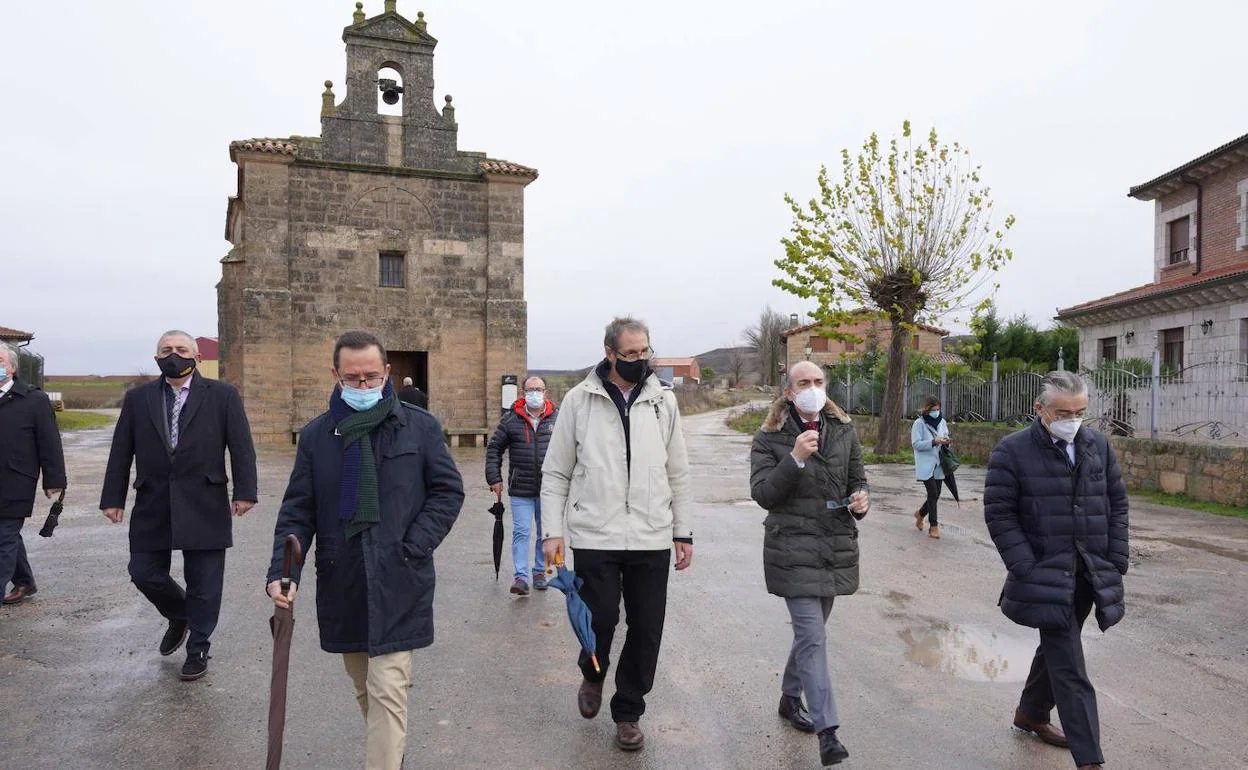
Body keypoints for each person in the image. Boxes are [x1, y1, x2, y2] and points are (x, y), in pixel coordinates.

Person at [267, 330, 464, 770]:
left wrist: (415, 545)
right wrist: (283, 574)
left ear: (388, 373)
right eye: (353, 378)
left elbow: (448, 492)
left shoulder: (420, 427)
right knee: (365, 687)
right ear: (335, 375)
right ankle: (386, 750)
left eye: (371, 377)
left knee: (388, 688)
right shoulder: (318, 437)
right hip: (345, 579)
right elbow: (298, 510)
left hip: (399, 578)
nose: (362, 386)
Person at [541, 317, 692, 753]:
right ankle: (593, 672)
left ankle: (628, 711)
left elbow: (677, 472)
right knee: (601, 618)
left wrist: (683, 531)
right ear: (610, 354)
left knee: (647, 627)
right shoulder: (579, 401)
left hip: (650, 536)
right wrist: (553, 533)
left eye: (645, 352)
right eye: (630, 354)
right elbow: (556, 473)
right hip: (596, 535)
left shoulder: (663, 401)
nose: (640, 361)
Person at [984, 371, 1129, 770]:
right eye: (1064, 412)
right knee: (1070, 664)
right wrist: (1024, 566)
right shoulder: (1012, 451)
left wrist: (1116, 558)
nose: (1073, 418)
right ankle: (1090, 760)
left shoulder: (1096, 444)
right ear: (1040, 409)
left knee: (1057, 647)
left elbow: (1116, 503)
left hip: (1091, 571)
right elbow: (999, 513)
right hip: (1046, 573)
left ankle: (1030, 713)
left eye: (1080, 411)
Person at [100, 330, 258, 681]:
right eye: (166, 350)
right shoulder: (138, 398)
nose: (174, 354)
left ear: (197, 357)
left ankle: (199, 646)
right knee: (144, 572)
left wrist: (245, 491)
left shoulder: (222, 396)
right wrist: (112, 497)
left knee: (204, 580)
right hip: (153, 500)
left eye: (181, 349)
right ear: (157, 357)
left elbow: (241, 446)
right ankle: (180, 613)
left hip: (205, 499)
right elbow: (121, 451)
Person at [748, 360, 868, 767]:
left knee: (809, 634)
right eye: (804, 382)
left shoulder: (844, 430)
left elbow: (858, 479)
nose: (812, 387)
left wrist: (861, 500)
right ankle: (828, 731)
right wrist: (794, 458)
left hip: (835, 545)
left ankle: (788, 697)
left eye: (818, 381)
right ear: (789, 392)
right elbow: (763, 493)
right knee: (814, 638)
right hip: (791, 548)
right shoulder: (769, 437)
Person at [0, 342, 66, 606]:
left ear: (13, 367)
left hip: (15, 480)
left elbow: (49, 442)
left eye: (0, 360)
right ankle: (25, 580)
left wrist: (55, 479)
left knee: (3, 537)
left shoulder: (33, 399)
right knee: (7, 535)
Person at [485, 375, 557, 595]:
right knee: (521, 531)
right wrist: (494, 478)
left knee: (545, 533)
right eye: (530, 389)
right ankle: (521, 577)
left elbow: (571, 449)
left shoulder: (558, 418)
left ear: (546, 392)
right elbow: (494, 449)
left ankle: (539, 572)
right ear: (523, 393)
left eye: (538, 389)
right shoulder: (511, 420)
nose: (534, 392)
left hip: (549, 489)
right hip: (521, 489)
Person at [911, 395, 951, 539]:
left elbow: (946, 435)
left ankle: (920, 514)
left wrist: (946, 441)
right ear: (927, 410)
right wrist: (934, 442)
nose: (936, 412)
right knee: (933, 493)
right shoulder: (919, 424)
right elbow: (916, 444)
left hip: (939, 463)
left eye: (938, 409)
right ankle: (933, 526)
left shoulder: (942, 422)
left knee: (936, 494)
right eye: (933, 410)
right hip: (926, 464)